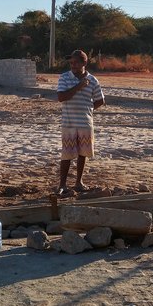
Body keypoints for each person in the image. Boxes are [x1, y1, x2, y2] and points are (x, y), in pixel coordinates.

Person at [56, 49, 105, 197]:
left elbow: (100, 100)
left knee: (82, 154)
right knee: (66, 154)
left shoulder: (93, 80)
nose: (73, 65)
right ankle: (62, 184)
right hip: (69, 122)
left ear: (84, 63)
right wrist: (79, 87)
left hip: (85, 122)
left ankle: (79, 182)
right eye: (71, 63)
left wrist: (87, 109)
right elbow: (61, 97)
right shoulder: (64, 77)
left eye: (76, 62)